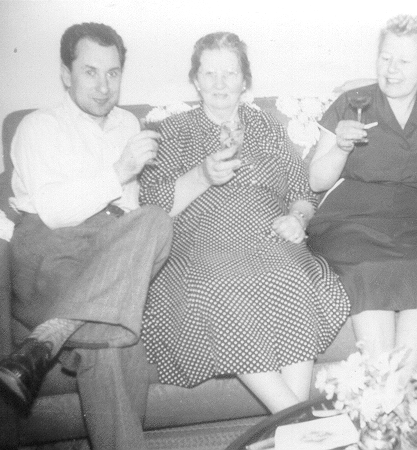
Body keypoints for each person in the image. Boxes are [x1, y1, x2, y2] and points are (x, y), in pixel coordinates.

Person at [139, 32, 349, 414]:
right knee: (221, 286)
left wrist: (297, 217)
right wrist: (202, 176)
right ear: (196, 80)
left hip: (271, 235)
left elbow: (302, 189)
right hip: (203, 240)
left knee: (292, 275)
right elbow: (151, 204)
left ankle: (290, 424)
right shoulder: (173, 131)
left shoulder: (266, 126)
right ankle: (298, 420)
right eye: (210, 73)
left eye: (230, 73)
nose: (220, 84)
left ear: (244, 80)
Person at [0, 23, 172, 450]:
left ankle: (49, 336)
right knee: (115, 330)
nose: (104, 86)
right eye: (90, 72)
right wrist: (120, 170)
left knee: (155, 221)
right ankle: (72, 321)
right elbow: (55, 213)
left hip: (108, 252)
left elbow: (130, 211)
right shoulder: (39, 126)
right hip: (53, 248)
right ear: (65, 73)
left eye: (113, 73)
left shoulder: (128, 123)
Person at [307, 15, 417, 371]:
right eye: (385, 58)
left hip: (414, 226)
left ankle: (395, 391)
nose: (390, 69)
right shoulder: (352, 103)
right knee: (369, 268)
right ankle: (385, 390)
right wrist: (340, 147)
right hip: (349, 222)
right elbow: (317, 182)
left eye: (403, 61)